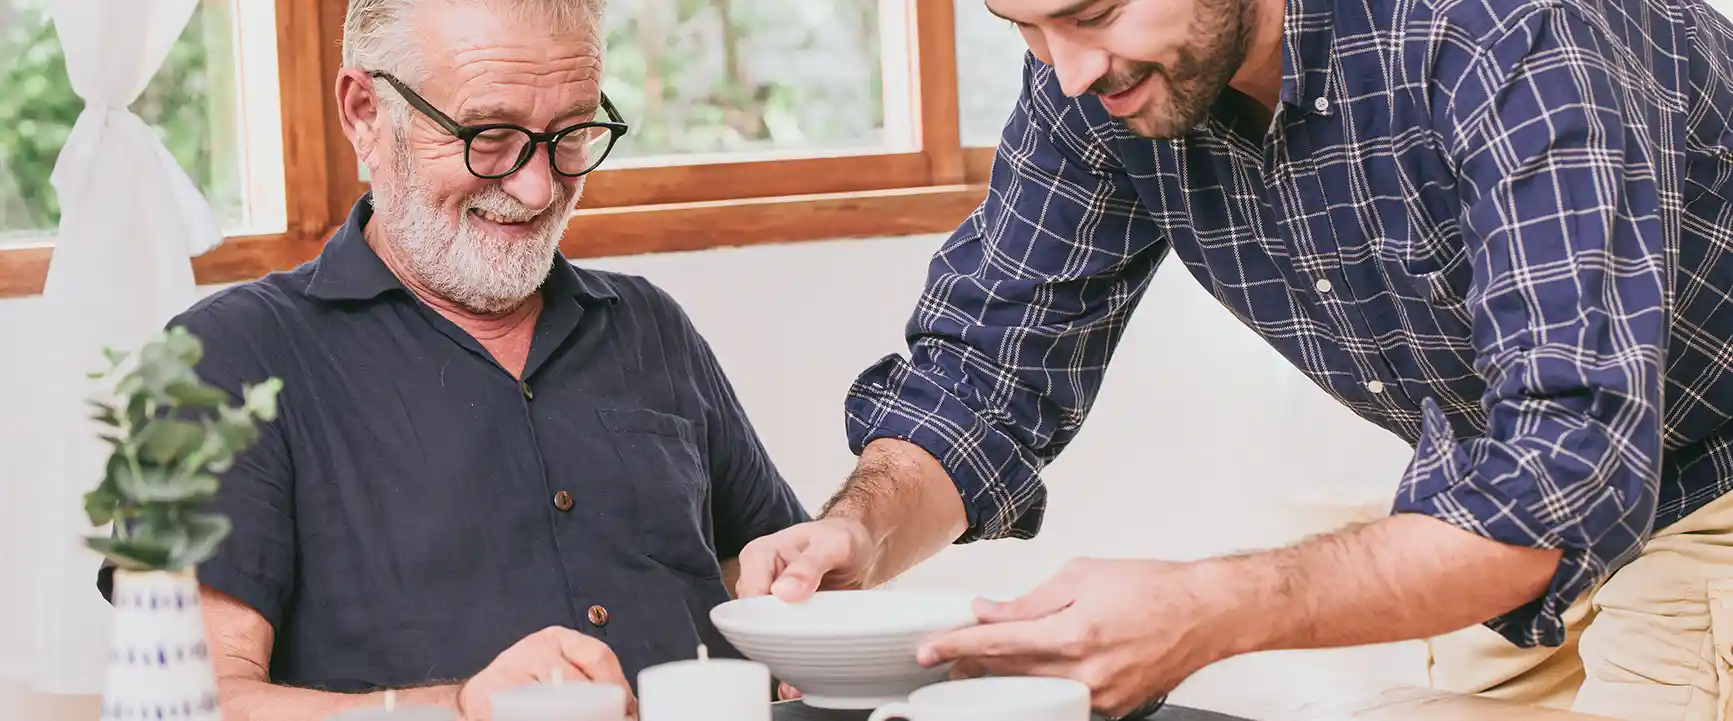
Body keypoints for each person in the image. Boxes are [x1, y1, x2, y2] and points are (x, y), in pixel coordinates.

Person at [736, 0, 1733, 719]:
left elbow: (1563, 476)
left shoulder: (1507, 33)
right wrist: (857, 530)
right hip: (1498, 489)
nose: (1068, 70)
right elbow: (984, 375)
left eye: (1091, 14)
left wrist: (1202, 607)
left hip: (1702, 466)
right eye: (1022, 28)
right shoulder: (1089, 78)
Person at [93, 1, 810, 719]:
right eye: (489, 135)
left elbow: (778, 592)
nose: (537, 188)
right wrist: (457, 707)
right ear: (365, 112)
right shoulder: (222, 361)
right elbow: (183, 704)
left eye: (571, 135)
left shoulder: (649, 325)